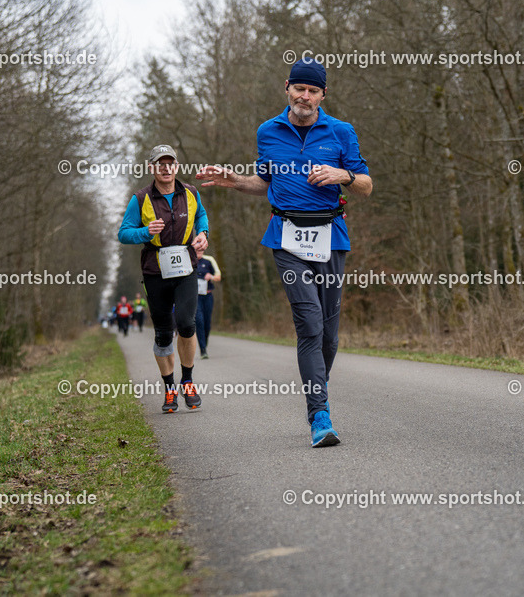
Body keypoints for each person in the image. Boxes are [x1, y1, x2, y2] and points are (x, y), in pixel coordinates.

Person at [197, 57, 372, 447]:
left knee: (329, 335)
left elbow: (366, 185)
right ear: (287, 88)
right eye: (299, 88)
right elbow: (264, 182)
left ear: (322, 95)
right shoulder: (268, 131)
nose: (305, 96)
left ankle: (316, 385)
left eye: (313, 91)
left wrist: (343, 175)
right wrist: (234, 181)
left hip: (331, 237)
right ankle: (320, 416)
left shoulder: (341, 132)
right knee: (309, 323)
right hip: (286, 238)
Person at [118, 144, 209, 413]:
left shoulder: (191, 193)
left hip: (186, 267)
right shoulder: (140, 199)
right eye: (160, 164)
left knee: (187, 324)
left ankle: (187, 381)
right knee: (163, 333)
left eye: (170, 163)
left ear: (176, 166)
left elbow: (201, 215)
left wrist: (203, 233)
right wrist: (145, 232)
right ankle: (170, 388)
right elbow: (123, 233)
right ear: (152, 168)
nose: (166, 168)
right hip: (155, 271)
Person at [194, 245, 222, 359]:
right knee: (199, 321)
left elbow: (218, 277)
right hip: (195, 297)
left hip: (207, 295)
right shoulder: (189, 261)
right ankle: (203, 349)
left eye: (201, 249)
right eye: (197, 249)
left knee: (207, 323)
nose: (199, 251)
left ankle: (204, 343)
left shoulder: (209, 260)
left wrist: (211, 277)